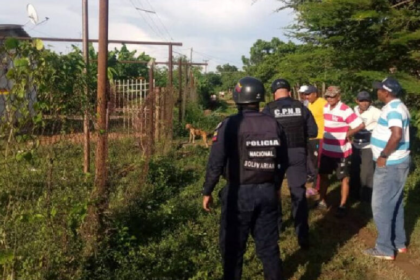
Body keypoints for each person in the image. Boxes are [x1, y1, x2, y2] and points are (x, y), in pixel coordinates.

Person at [202, 76, 286, 280]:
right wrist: (276, 185)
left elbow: (216, 161)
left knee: (232, 248)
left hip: (239, 193)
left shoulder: (229, 125)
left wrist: (207, 190)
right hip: (267, 192)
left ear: (238, 96)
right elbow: (282, 159)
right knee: (268, 248)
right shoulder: (273, 123)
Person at [262, 79, 318, 249]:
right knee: (298, 192)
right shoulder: (301, 107)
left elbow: (262, 133)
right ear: (289, 91)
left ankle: (276, 228)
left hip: (276, 153)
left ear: (274, 93)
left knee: (274, 190)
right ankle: (302, 236)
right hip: (298, 153)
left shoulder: (269, 109)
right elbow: (313, 131)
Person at [364, 77, 411, 260]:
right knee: (395, 202)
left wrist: (383, 155)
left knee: (380, 206)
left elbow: (397, 134)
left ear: (387, 92)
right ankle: (399, 242)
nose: (377, 92)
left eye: (379, 90)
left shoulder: (393, 109)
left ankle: (384, 248)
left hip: (390, 164)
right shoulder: (398, 106)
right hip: (398, 162)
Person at [317, 86, 365, 217]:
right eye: (328, 96)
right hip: (327, 149)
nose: (330, 98)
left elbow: (360, 124)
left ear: (339, 97)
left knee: (344, 178)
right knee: (323, 176)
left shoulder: (345, 109)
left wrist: (348, 133)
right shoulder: (325, 107)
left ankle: (342, 205)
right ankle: (322, 200)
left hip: (342, 152)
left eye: (333, 96)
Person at [350, 91, 381, 202]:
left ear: (370, 101)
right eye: (362, 100)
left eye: (367, 100)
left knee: (367, 172)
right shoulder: (353, 111)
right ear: (357, 101)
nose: (364, 103)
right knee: (354, 170)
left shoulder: (376, 112)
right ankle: (354, 194)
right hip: (355, 145)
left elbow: (384, 125)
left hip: (368, 146)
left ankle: (367, 196)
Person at [300, 85, 327, 195]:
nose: (306, 97)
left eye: (309, 94)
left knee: (318, 164)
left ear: (315, 93)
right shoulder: (310, 104)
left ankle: (317, 187)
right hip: (311, 137)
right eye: (305, 94)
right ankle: (315, 184)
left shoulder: (323, 103)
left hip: (320, 137)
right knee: (312, 162)